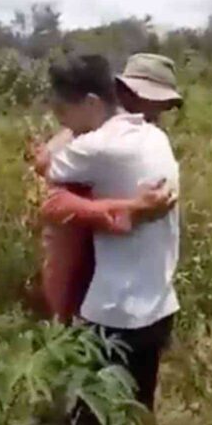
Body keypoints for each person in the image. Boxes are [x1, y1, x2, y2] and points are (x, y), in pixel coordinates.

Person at [43, 54, 180, 425]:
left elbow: (44, 170)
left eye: (62, 110)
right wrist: (128, 208)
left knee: (91, 418)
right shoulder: (155, 137)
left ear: (90, 102)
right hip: (159, 304)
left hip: (114, 313)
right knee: (136, 412)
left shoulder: (96, 147)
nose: (59, 119)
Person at [30, 53, 182, 324]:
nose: (155, 114)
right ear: (120, 93)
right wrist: (127, 210)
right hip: (117, 298)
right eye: (149, 101)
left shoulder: (138, 137)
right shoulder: (96, 140)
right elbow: (54, 197)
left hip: (123, 304)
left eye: (163, 106)